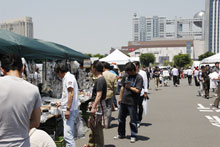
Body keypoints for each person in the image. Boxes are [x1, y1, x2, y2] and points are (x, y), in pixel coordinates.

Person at [0, 54, 41, 146]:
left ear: (2, 69)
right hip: (22, 143)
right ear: (22, 68)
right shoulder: (33, 90)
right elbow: (36, 122)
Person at [114, 62, 143, 143]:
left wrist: (130, 87)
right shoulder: (126, 76)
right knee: (121, 118)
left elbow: (138, 90)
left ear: (133, 70)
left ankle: (133, 135)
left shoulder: (139, 78)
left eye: (128, 71)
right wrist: (120, 98)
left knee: (133, 120)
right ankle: (121, 134)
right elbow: (123, 87)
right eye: (126, 71)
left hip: (133, 102)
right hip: (124, 101)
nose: (127, 73)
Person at [54, 63, 79, 147]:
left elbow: (70, 93)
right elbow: (67, 94)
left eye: (58, 73)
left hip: (70, 110)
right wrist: (61, 102)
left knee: (68, 136)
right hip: (69, 109)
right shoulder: (68, 77)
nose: (58, 75)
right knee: (68, 135)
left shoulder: (68, 77)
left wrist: (68, 109)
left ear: (60, 71)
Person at [85, 61, 107, 147]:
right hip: (97, 104)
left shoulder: (100, 80)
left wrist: (93, 107)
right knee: (93, 127)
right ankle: (91, 144)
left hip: (98, 105)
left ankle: (99, 145)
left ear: (94, 69)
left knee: (97, 128)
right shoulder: (100, 79)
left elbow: (99, 95)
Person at [133, 61, 148, 128]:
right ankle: (135, 120)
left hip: (141, 92)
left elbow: (145, 82)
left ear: (137, 66)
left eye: (134, 65)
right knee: (134, 107)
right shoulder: (131, 73)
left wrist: (145, 92)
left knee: (140, 106)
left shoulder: (143, 73)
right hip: (133, 91)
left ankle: (139, 119)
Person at [102, 62, 117, 128]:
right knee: (109, 109)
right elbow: (115, 86)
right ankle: (107, 124)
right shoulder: (113, 75)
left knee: (102, 109)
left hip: (102, 94)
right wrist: (114, 92)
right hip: (110, 93)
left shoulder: (101, 74)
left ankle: (102, 123)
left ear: (104, 67)